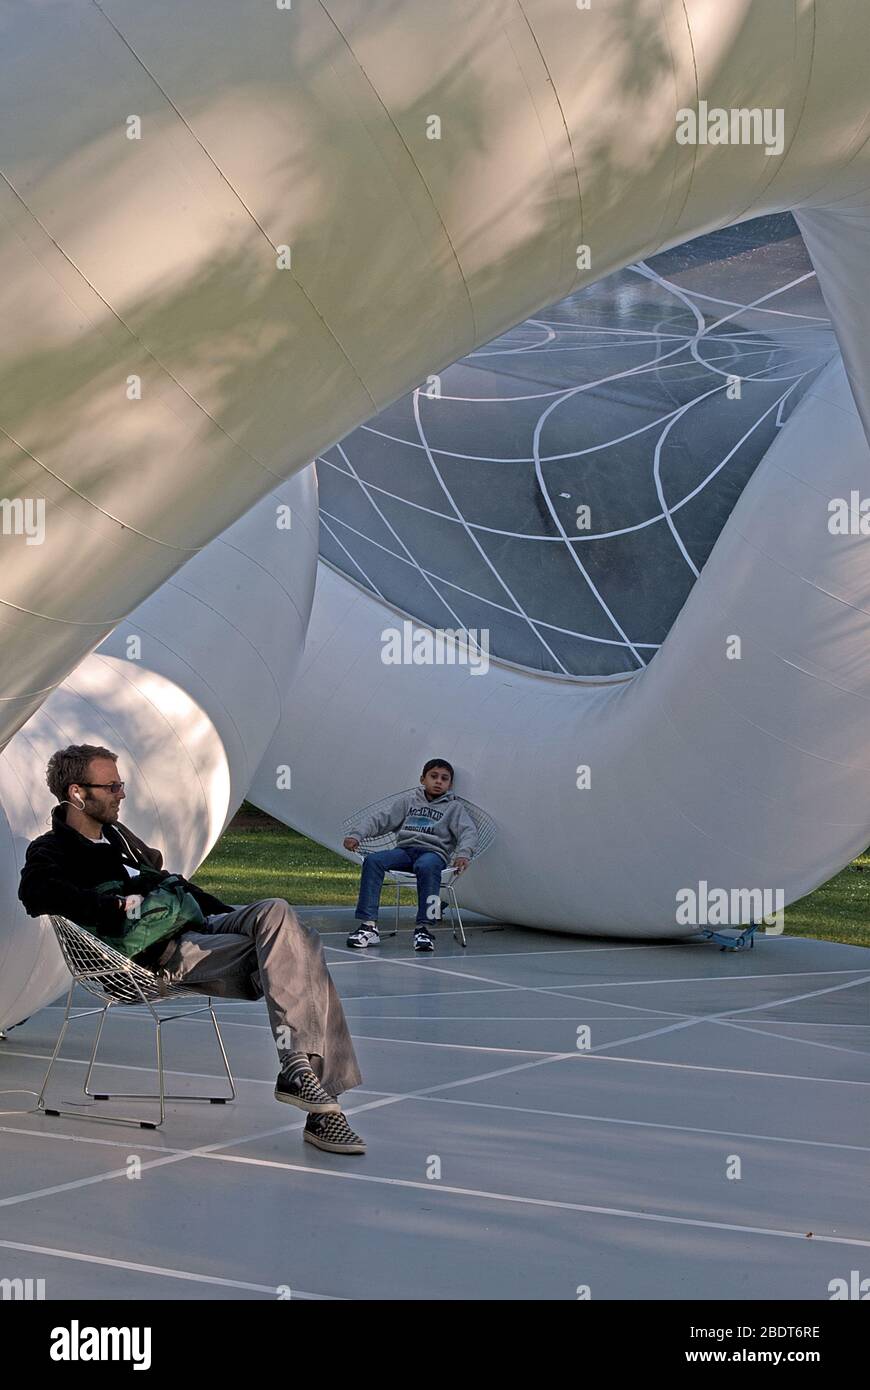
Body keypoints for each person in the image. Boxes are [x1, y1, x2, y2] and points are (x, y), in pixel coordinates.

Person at [18, 745, 366, 1155]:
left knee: (277, 914)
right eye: (111, 786)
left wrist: (235, 920)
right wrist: (112, 907)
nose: (121, 794)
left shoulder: (118, 840)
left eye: (120, 784)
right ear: (77, 793)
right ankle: (321, 1107)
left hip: (200, 926)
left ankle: (298, 1071)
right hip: (162, 954)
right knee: (301, 953)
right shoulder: (51, 850)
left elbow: (170, 882)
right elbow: (35, 892)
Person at [343, 759, 478, 953]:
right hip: (404, 852)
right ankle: (368, 925)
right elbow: (381, 819)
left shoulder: (454, 808)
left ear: (450, 785)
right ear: (422, 779)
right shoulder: (409, 802)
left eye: (444, 779)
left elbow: (468, 832)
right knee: (373, 861)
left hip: (433, 854)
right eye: (433, 777)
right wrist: (357, 835)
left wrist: (464, 854)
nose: (438, 781)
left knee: (427, 867)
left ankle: (423, 929)